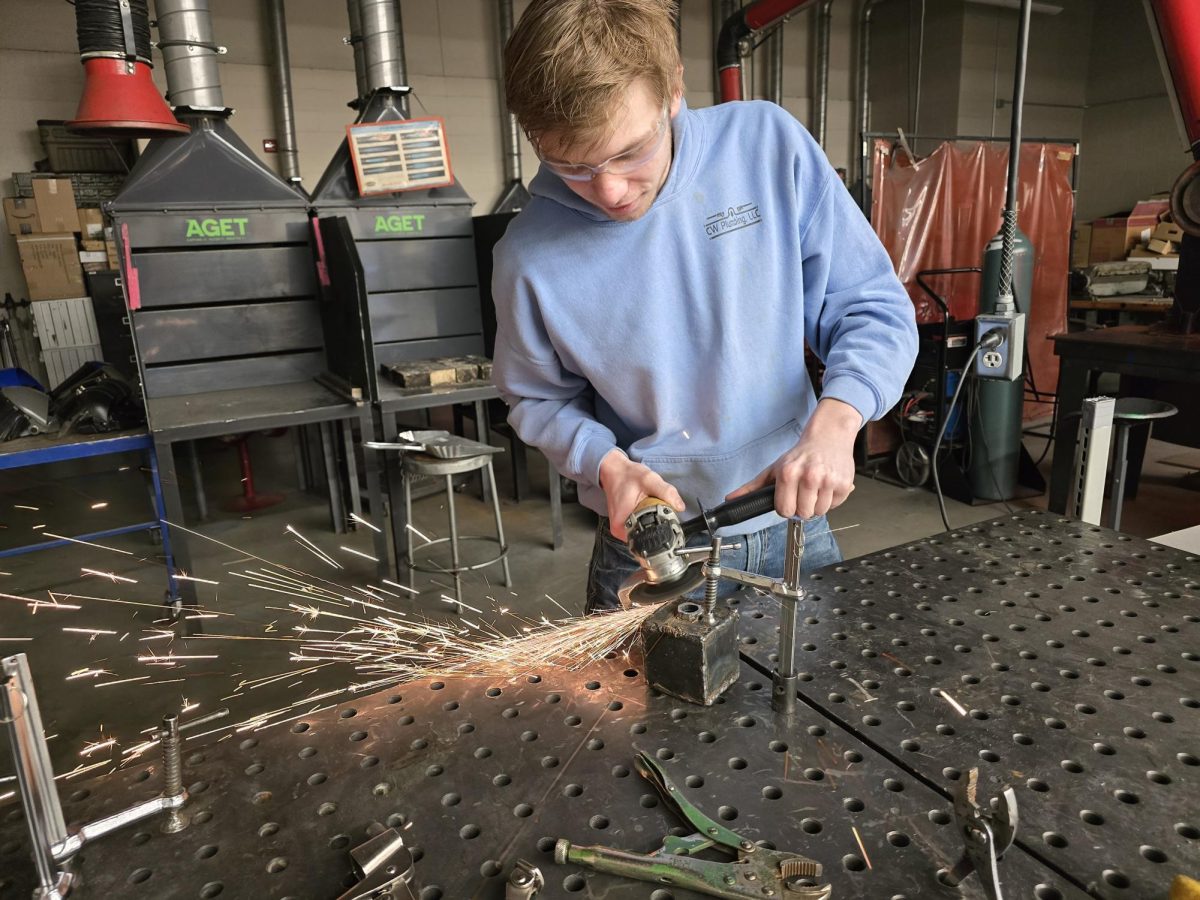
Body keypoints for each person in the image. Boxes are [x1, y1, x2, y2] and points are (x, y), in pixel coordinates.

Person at [491, 0, 918, 613]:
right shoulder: (528, 258)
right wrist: (607, 466)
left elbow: (872, 307)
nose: (609, 191)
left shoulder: (766, 148)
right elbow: (537, 396)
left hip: (789, 523)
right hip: (645, 549)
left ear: (672, 92)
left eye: (629, 152)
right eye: (572, 166)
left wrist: (837, 423)